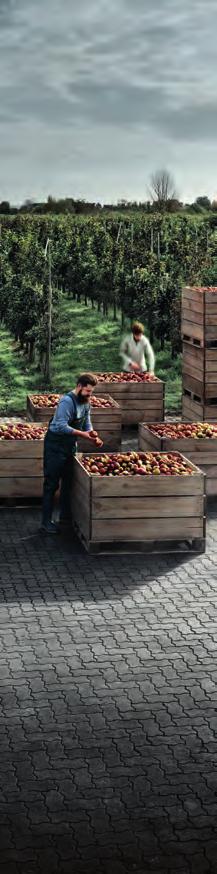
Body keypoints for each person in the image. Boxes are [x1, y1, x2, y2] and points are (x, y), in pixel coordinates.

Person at [41, 373, 102, 534]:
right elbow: (60, 426)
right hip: (55, 446)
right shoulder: (67, 402)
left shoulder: (86, 402)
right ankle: (45, 523)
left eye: (92, 391)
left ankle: (65, 518)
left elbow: (87, 423)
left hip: (69, 447)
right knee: (51, 484)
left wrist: (93, 436)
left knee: (68, 483)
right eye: (88, 391)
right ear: (79, 386)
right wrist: (83, 435)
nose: (90, 394)